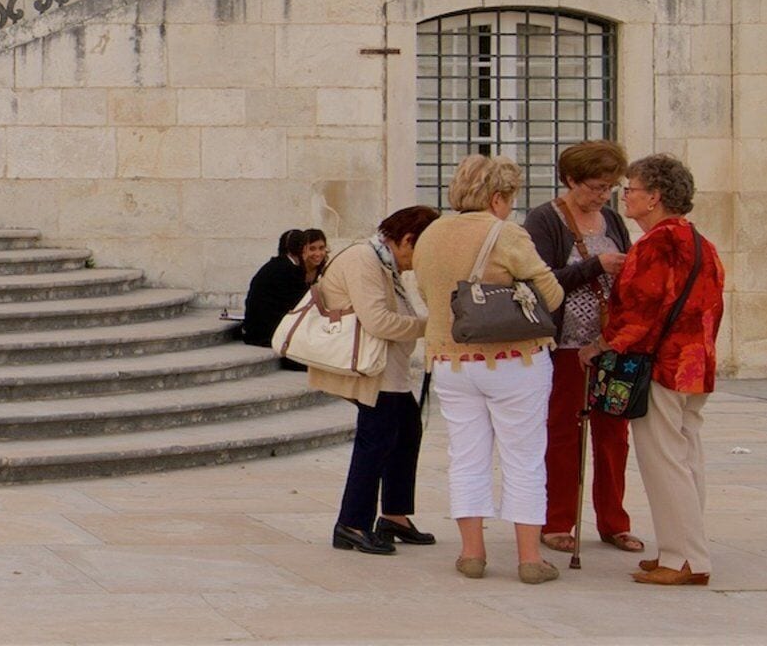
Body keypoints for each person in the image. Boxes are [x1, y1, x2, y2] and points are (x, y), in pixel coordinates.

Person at [413, 153, 565, 585]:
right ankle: (530, 558)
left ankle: (472, 553)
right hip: (515, 359)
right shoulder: (505, 234)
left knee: (465, 456)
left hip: (451, 360)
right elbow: (551, 295)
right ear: (497, 197)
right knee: (524, 457)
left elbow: (429, 292)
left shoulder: (430, 235)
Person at [603, 152, 728, 588]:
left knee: (664, 462)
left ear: (654, 197)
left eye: (631, 189)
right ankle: (681, 550)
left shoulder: (655, 245)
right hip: (695, 364)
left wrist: (604, 346)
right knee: (687, 458)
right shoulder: (701, 243)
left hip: (660, 365)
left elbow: (638, 312)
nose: (626, 197)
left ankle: (687, 559)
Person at [524, 139, 638, 564]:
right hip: (564, 346)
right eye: (594, 186)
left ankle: (614, 521)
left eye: (609, 187)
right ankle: (557, 522)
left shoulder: (610, 219)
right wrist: (595, 266)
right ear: (571, 180)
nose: (603, 195)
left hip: (608, 343)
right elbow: (539, 282)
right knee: (563, 433)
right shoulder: (545, 220)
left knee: (614, 436)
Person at [308, 205, 438, 555]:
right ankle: (351, 523)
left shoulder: (383, 260)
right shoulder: (364, 260)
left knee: (407, 431)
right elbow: (379, 321)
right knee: (376, 440)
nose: (418, 262)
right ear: (407, 240)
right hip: (371, 370)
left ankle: (394, 515)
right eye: (420, 251)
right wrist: (430, 326)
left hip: (388, 369)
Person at [235, 227, 329, 347]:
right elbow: (300, 302)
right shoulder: (286, 269)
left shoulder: (283, 265)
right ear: (302, 249)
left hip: (261, 327)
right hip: (265, 332)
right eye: (309, 248)